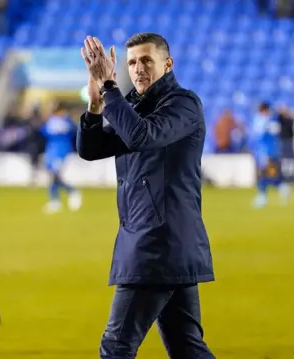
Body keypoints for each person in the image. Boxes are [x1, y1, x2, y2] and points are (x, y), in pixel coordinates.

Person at [77, 33, 215, 358]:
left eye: (146, 60)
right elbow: (90, 149)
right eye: (132, 63)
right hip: (161, 245)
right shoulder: (137, 107)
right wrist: (96, 106)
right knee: (187, 349)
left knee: (115, 347)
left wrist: (110, 89)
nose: (138, 69)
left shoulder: (183, 104)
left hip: (156, 247)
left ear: (167, 64)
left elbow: (141, 135)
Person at [40, 103, 82, 214]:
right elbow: (43, 132)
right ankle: (55, 201)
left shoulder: (66, 121)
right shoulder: (52, 121)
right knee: (52, 175)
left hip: (61, 151)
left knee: (55, 174)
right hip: (51, 150)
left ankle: (71, 191)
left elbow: (74, 132)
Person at [250, 102, 290, 208]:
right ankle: (280, 188)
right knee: (265, 174)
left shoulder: (270, 121)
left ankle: (265, 196)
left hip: (268, 152)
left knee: (266, 174)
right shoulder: (261, 120)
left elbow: (272, 136)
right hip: (261, 151)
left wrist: (268, 153)